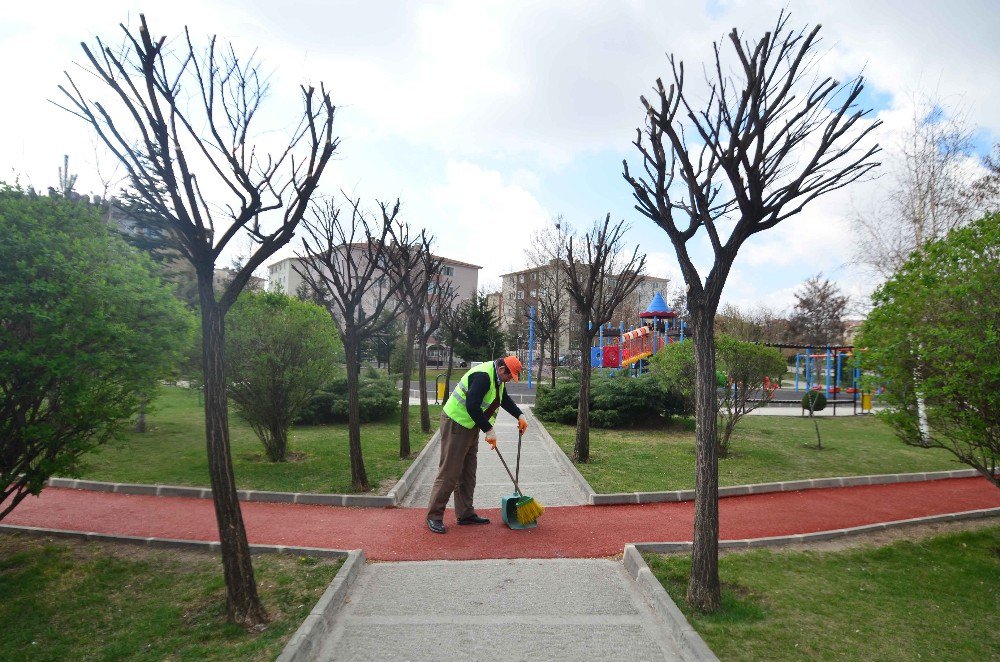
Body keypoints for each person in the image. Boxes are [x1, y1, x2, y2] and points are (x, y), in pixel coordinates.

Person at [426, 355, 528, 534]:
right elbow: (472, 406)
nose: (510, 379)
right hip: (456, 423)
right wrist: (488, 429)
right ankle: (434, 516)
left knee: (468, 473)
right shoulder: (483, 376)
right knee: (449, 472)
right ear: (502, 369)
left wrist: (519, 415)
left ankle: (465, 514)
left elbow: (502, 398)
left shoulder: (497, 377)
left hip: (470, 425)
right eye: (510, 376)